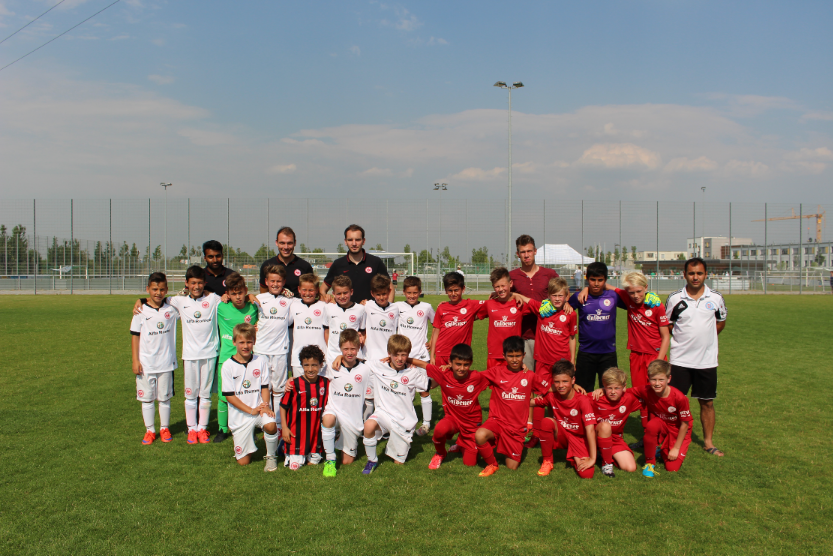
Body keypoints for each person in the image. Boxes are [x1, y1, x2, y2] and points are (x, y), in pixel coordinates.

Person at [665, 257, 726, 457]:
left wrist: (706, 338)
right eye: (691, 273)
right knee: (673, 403)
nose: (695, 277)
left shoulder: (715, 298)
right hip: (680, 360)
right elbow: (668, 324)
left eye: (699, 273)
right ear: (684, 275)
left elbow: (721, 322)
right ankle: (669, 439)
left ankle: (708, 443)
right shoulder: (675, 298)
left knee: (707, 402)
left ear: (706, 274)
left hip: (706, 361)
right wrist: (684, 339)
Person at [512, 276, 577, 448]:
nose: (557, 299)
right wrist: (511, 294)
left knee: (560, 397)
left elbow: (572, 337)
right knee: (540, 397)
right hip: (542, 361)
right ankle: (537, 434)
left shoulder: (570, 314)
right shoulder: (543, 308)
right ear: (548, 295)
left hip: (561, 363)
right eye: (554, 295)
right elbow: (524, 298)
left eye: (560, 295)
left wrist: (572, 360)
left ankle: (561, 432)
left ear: (566, 296)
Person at [474, 336, 551, 476]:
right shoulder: (496, 372)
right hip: (497, 421)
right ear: (504, 356)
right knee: (480, 435)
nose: (514, 360)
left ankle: (504, 444)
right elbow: (473, 378)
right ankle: (492, 464)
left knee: (512, 467)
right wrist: (452, 369)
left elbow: (549, 389)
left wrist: (573, 386)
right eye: (510, 356)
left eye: (518, 356)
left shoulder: (529, 375)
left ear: (524, 355)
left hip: (516, 429)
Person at [406, 343, 488, 470]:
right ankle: (440, 453)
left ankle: (462, 443)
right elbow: (423, 364)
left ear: (471, 363)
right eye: (458, 364)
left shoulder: (477, 377)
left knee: (470, 463)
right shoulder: (444, 374)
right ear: (450, 362)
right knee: (439, 430)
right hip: (453, 418)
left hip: (471, 424)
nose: (462, 368)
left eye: (465, 365)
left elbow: (498, 375)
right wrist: (402, 358)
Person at [165, 266, 220, 444]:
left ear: (205, 283)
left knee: (205, 394)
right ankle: (191, 429)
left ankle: (202, 429)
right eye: (193, 283)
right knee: (190, 394)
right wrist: (140, 300)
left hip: (209, 354)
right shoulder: (179, 301)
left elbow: (232, 299)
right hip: (189, 355)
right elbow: (158, 299)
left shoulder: (213, 299)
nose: (196, 286)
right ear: (186, 283)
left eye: (200, 283)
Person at [361, 335, 430, 475]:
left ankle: (404, 444)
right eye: (396, 355)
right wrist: (340, 357)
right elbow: (356, 361)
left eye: (403, 355)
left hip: (403, 421)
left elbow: (429, 385)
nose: (399, 359)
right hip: (383, 414)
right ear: (389, 354)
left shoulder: (412, 372)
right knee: (368, 425)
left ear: (408, 355)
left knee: (398, 463)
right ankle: (372, 460)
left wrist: (447, 378)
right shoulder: (378, 365)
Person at [221, 323, 280, 470]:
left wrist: (265, 406)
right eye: (241, 342)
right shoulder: (227, 366)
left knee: (271, 425)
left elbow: (265, 387)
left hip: (259, 410)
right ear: (234, 342)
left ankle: (271, 456)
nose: (245, 346)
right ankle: (248, 437)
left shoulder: (260, 360)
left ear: (254, 341)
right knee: (244, 462)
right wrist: (251, 410)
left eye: (249, 342)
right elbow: (229, 396)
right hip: (241, 416)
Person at [130, 272, 179, 445]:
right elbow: (135, 336)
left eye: (162, 289)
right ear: (148, 289)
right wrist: (135, 360)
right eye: (154, 289)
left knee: (164, 398)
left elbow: (187, 299)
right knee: (147, 399)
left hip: (166, 363)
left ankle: (164, 428)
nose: (158, 293)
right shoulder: (140, 311)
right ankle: (150, 430)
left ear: (167, 289)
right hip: (146, 364)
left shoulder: (172, 309)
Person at [214, 272, 259, 443]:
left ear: (245, 290)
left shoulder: (254, 307)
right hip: (226, 358)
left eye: (240, 293)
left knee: (247, 393)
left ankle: (249, 426)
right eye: (233, 293)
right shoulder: (220, 307)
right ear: (228, 294)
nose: (238, 297)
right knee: (223, 395)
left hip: (248, 359)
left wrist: (251, 296)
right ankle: (222, 429)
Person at [533, 359, 597, 479]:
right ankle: (547, 461)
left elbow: (590, 430)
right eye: (557, 382)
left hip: (578, 438)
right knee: (547, 422)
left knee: (587, 474)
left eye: (565, 381)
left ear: (573, 380)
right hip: (561, 435)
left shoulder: (582, 400)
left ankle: (575, 455)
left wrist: (593, 458)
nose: (561, 385)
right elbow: (528, 402)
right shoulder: (551, 396)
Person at [568, 262, 626, 392]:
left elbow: (631, 301)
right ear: (587, 278)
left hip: (608, 353)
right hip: (586, 353)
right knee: (583, 391)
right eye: (592, 279)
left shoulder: (613, 296)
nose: (596, 283)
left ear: (605, 280)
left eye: (600, 280)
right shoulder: (579, 297)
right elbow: (564, 309)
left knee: (610, 391)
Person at [629, 360, 692, 477]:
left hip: (678, 429)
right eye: (653, 379)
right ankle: (649, 463)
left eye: (661, 380)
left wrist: (676, 448)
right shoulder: (646, 390)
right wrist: (602, 390)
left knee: (672, 468)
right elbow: (625, 391)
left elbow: (685, 424)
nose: (657, 383)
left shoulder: (679, 398)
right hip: (662, 424)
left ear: (669, 379)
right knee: (651, 425)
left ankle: (660, 450)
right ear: (648, 378)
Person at [319, 330, 370, 477]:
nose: (349, 352)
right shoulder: (332, 367)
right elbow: (313, 375)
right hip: (334, 412)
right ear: (340, 347)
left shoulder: (366, 368)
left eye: (353, 349)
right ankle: (330, 459)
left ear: (359, 348)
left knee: (347, 461)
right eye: (345, 349)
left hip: (352, 420)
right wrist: (292, 380)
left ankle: (337, 441)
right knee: (328, 418)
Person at [509, 234, 559, 371]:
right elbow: (504, 297)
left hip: (548, 333)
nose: (526, 255)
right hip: (524, 335)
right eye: (523, 252)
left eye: (529, 251)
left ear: (535, 251)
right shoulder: (512, 276)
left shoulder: (549, 274)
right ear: (517, 254)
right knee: (527, 376)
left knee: (548, 376)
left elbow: (562, 293)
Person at [254, 265, 294, 433]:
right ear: (266, 281)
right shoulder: (258, 298)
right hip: (260, 351)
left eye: (279, 281)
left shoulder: (290, 301)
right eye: (272, 281)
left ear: (284, 282)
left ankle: (277, 424)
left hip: (280, 351)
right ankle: (264, 422)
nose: (275, 284)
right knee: (262, 388)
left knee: (278, 390)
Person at [394, 276, 436, 438]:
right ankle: (404, 421)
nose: (412, 296)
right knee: (403, 390)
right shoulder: (397, 306)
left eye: (415, 293)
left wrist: (432, 341)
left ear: (420, 292)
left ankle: (426, 424)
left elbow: (437, 324)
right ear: (403, 292)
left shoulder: (426, 307)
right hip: (402, 357)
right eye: (409, 293)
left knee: (423, 390)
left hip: (421, 356)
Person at [280, 345, 329, 470]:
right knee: (295, 467)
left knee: (313, 462)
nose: (310, 369)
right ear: (301, 365)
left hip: (315, 436)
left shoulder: (326, 383)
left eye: (314, 365)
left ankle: (314, 451)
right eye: (306, 365)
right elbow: (283, 406)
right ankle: (284, 446)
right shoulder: (294, 384)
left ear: (321, 365)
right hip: (296, 435)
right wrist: (284, 428)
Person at [589, 367, 642, 478]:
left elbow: (648, 395)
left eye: (617, 388)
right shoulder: (595, 397)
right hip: (593, 438)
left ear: (624, 387)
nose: (613, 392)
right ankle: (606, 464)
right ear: (604, 386)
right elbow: (573, 397)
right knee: (605, 426)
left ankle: (603, 453)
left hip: (615, 440)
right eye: (609, 388)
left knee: (630, 467)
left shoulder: (629, 399)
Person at [321, 224, 392, 304]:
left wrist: (388, 308)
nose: (354, 243)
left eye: (357, 240)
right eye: (350, 240)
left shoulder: (375, 262)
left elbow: (390, 287)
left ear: (363, 241)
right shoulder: (338, 264)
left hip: (370, 311)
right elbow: (322, 289)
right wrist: (328, 299)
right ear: (345, 241)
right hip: (345, 311)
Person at [478, 267, 532, 369]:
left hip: (514, 356)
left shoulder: (519, 303)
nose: (500, 289)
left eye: (503, 285)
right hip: (494, 355)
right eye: (497, 287)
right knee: (493, 379)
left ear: (510, 283)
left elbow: (539, 307)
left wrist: (515, 294)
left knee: (513, 379)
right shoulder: (489, 304)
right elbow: (472, 315)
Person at [429, 272, 485, 366]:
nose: (453, 294)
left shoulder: (470, 305)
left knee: (459, 375)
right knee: (440, 376)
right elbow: (436, 332)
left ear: (463, 289)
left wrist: (508, 294)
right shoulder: (442, 308)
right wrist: (432, 356)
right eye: (450, 290)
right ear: (445, 290)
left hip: (460, 355)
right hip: (441, 354)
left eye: (456, 290)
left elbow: (492, 304)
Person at [289, 273, 328, 378]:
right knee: (300, 387)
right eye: (304, 290)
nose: (307, 293)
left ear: (317, 290)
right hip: (298, 359)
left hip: (320, 358)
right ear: (299, 289)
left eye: (311, 290)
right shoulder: (293, 305)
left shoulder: (324, 306)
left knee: (320, 387)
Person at [322, 275, 366, 368]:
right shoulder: (328, 308)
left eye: (345, 293)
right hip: (333, 355)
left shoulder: (360, 309)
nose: (342, 296)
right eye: (339, 293)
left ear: (351, 292)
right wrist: (330, 349)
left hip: (353, 356)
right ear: (333, 294)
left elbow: (363, 333)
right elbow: (327, 332)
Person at [259, 226, 313, 297]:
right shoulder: (267, 265)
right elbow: (263, 294)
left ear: (295, 243)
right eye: (282, 243)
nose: (286, 247)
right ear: (276, 243)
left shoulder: (305, 266)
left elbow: (312, 291)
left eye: (289, 243)